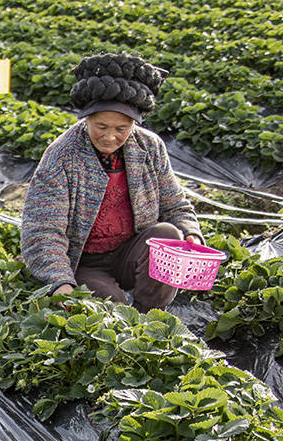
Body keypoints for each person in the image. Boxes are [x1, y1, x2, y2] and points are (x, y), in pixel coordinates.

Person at [21, 53, 203, 312]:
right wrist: (59, 280)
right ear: (86, 120)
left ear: (134, 124)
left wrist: (192, 233)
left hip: (128, 253)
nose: (109, 137)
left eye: (121, 128)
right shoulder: (62, 155)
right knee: (112, 304)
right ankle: (123, 318)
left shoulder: (149, 147)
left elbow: (175, 204)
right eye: (101, 126)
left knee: (169, 236)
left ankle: (150, 318)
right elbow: (42, 229)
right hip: (83, 262)